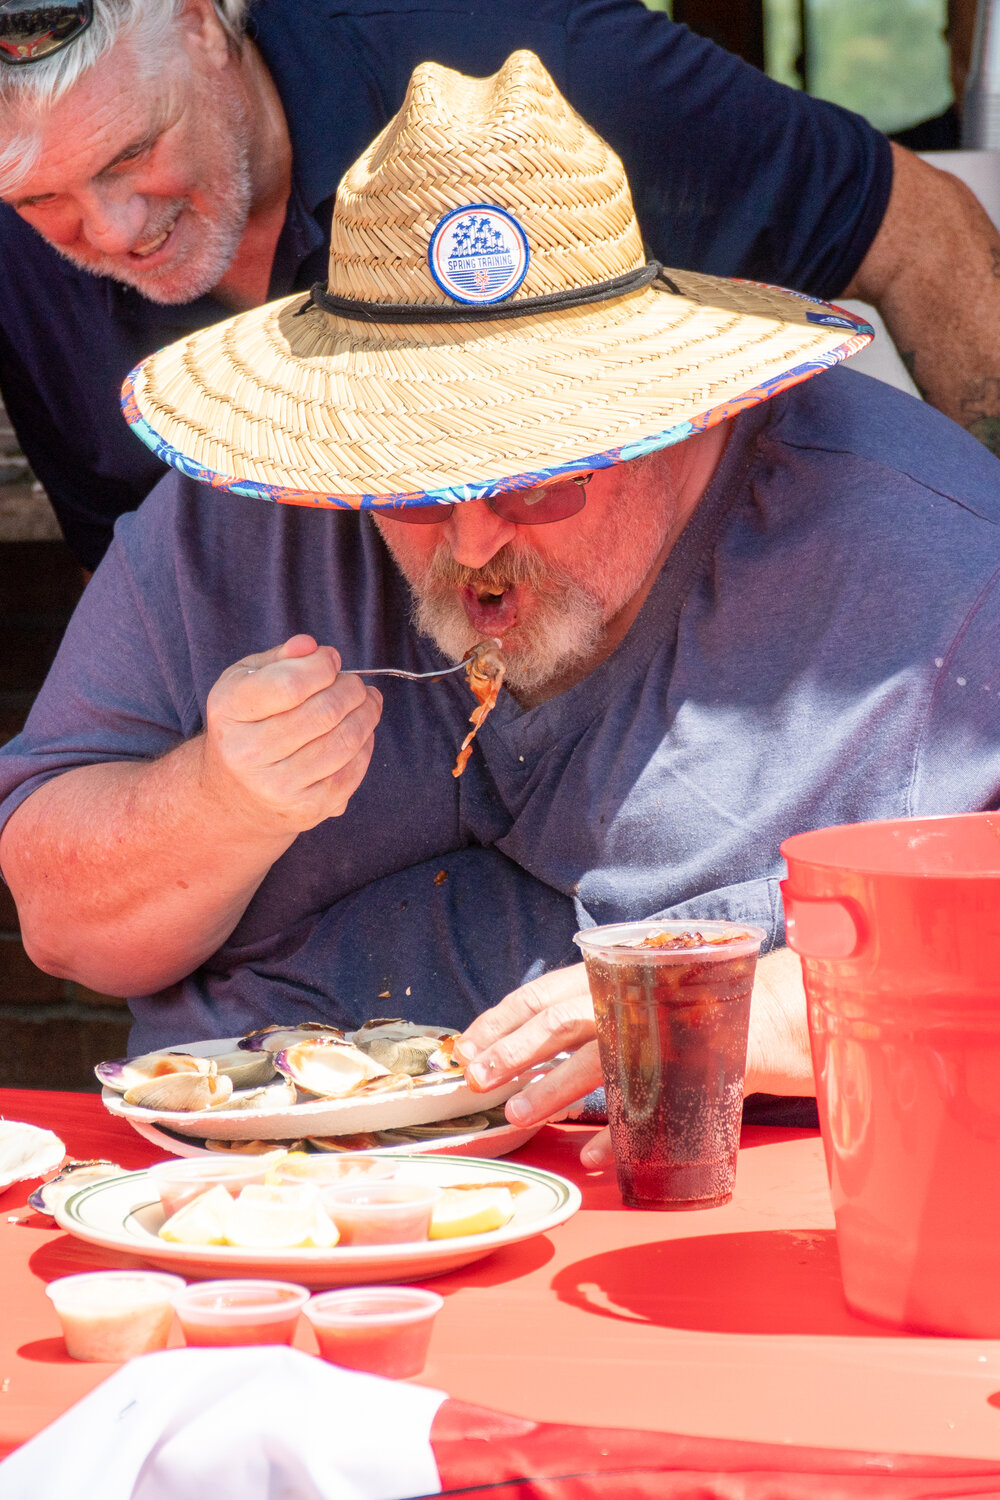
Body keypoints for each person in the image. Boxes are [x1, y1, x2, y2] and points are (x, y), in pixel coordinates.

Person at [2, 51, 1000, 1160]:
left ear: (673, 414)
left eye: (534, 478)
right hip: (257, 1204)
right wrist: (218, 801)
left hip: (698, 1221)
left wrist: (741, 1014)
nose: (472, 540)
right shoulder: (254, 509)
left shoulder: (933, 556)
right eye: (414, 486)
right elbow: (60, 919)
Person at [0, 0, 998, 570]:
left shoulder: (521, 64)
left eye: (136, 152)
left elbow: (922, 235)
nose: (115, 227)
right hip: (306, 804)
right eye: (43, 198)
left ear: (203, 23)